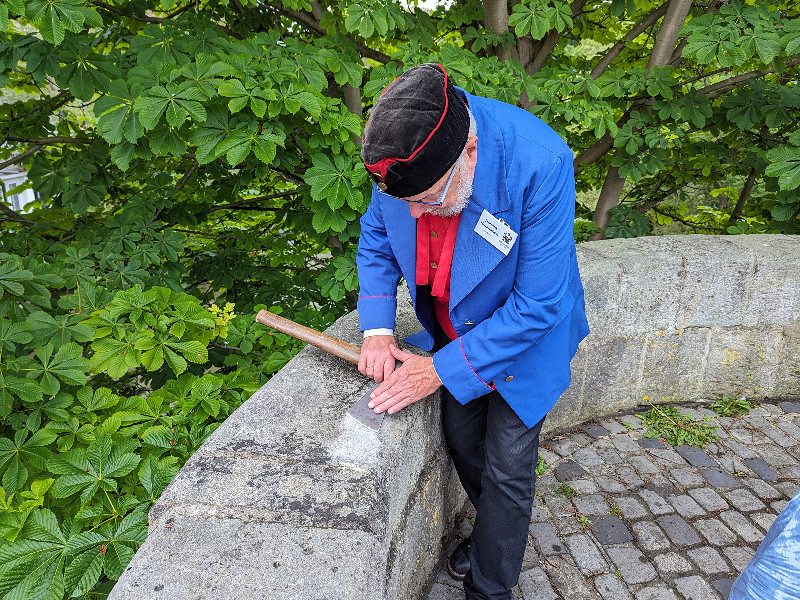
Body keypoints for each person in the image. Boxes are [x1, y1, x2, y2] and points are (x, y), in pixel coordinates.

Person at [355, 63, 590, 600]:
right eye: (406, 203)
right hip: (453, 329)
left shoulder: (539, 160)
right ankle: (495, 535)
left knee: (509, 465)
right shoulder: (405, 158)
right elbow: (375, 240)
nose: (414, 215)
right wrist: (375, 328)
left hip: (526, 336)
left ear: (472, 155)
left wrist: (437, 369)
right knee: (462, 440)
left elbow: (539, 304)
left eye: (429, 201)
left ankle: (491, 583)